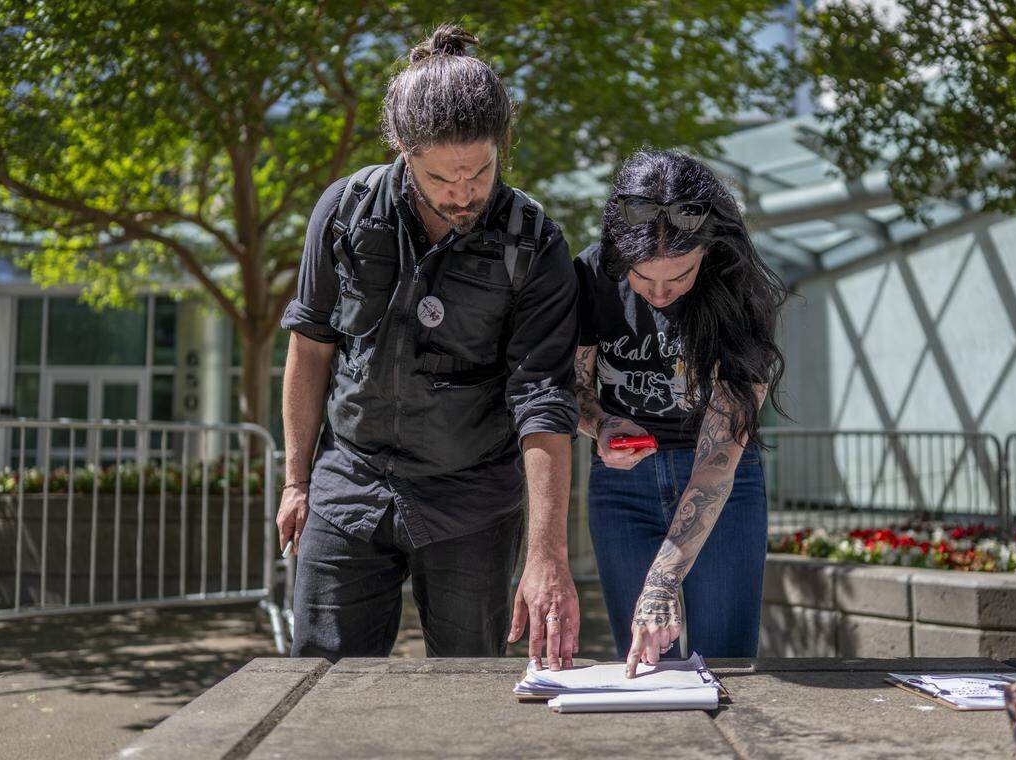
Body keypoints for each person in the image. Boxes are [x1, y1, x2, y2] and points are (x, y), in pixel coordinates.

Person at [278, 25, 581, 669]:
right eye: (444, 177)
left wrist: (547, 554)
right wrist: (296, 480)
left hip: (471, 496)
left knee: (469, 687)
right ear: (403, 150)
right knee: (322, 678)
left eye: (481, 172)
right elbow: (311, 350)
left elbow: (544, 398)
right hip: (349, 481)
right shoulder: (344, 212)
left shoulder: (537, 245)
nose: (464, 194)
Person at [572, 150, 788, 675]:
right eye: (644, 279)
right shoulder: (591, 272)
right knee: (646, 662)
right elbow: (571, 385)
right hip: (623, 483)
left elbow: (718, 459)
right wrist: (601, 425)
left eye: (680, 276)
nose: (661, 293)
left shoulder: (741, 290)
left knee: (728, 662)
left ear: (708, 252)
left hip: (722, 484)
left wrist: (664, 576)